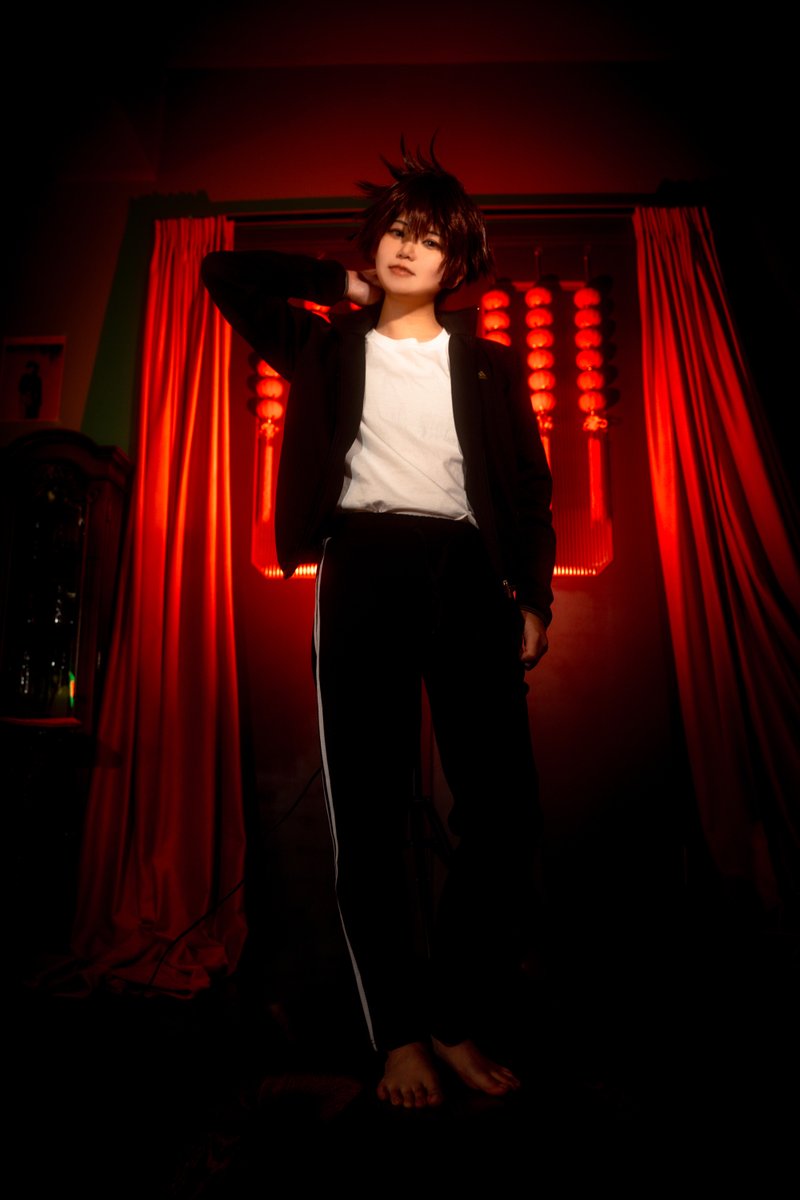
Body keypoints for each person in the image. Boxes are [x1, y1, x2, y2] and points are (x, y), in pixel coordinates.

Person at [201, 142, 555, 1109]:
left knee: (506, 813)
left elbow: (529, 491)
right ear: (374, 244)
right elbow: (222, 271)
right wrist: (338, 284)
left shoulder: (490, 366)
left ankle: (453, 1015)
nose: (408, 247)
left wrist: (531, 598)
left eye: (429, 238)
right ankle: (397, 1033)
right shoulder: (328, 347)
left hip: (469, 573)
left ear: (458, 261)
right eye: (397, 229)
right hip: (364, 566)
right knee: (368, 813)